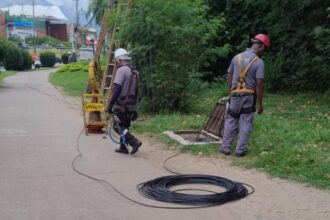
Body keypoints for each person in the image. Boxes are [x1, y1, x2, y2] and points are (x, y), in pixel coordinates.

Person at [220, 34, 270, 157]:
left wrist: (231, 92)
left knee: (231, 119)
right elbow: (259, 84)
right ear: (261, 46)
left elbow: (230, 77)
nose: (264, 52)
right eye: (265, 49)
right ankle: (240, 150)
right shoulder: (259, 62)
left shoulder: (236, 57)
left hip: (235, 94)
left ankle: (225, 148)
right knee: (246, 122)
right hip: (249, 96)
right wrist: (259, 103)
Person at [107, 48, 142, 155]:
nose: (117, 63)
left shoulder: (121, 70)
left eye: (117, 61)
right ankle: (123, 147)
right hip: (132, 104)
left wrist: (110, 104)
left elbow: (116, 89)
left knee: (117, 126)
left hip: (122, 104)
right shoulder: (135, 72)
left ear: (120, 59)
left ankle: (134, 141)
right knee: (125, 125)